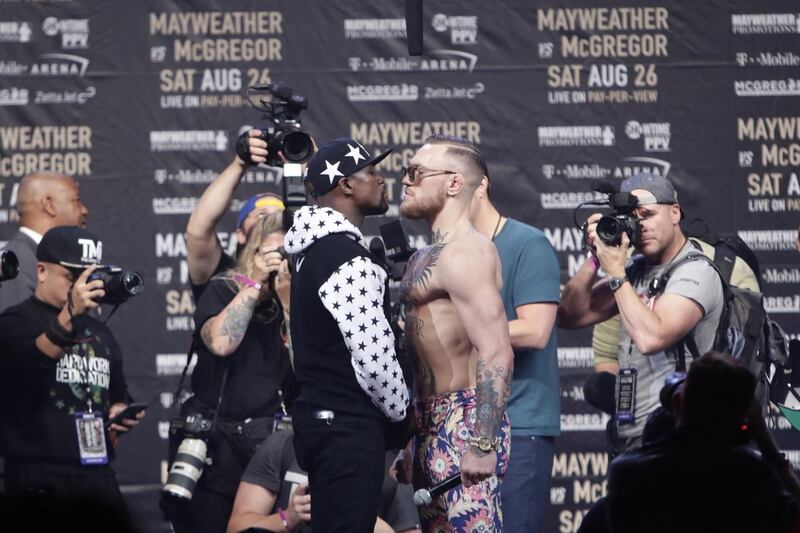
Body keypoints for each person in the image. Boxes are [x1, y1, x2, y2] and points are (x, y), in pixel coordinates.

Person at [284, 137, 409, 533]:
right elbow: (374, 362)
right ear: (346, 186)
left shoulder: (313, 254)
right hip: (348, 433)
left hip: (323, 427)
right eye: (371, 171)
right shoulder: (348, 259)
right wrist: (402, 414)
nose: (382, 179)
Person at [395, 134, 514, 532]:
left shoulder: (468, 252)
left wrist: (482, 442)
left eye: (416, 172)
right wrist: (414, 435)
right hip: (430, 421)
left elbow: (496, 351)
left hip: (465, 421)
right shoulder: (422, 257)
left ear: (453, 183)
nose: (406, 181)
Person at [557, 173, 724, 452]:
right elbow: (569, 315)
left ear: (674, 213)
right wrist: (596, 257)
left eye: (647, 214)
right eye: (633, 218)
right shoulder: (634, 270)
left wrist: (615, 273)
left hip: (682, 434)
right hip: (634, 433)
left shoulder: (696, 270)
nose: (640, 225)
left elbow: (651, 338)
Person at [0, 226, 142, 520]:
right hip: (37, 477)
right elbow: (33, 362)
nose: (81, 287)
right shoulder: (15, 322)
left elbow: (117, 391)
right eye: (71, 277)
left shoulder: (101, 333)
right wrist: (70, 314)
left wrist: (120, 410)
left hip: (96, 474)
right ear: (41, 271)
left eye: (87, 277)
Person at [169, 211, 293, 533]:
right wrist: (253, 286)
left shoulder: (297, 299)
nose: (280, 263)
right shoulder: (224, 288)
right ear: (253, 254)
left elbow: (306, 366)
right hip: (217, 448)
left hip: (270, 447)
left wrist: (289, 301)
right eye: (274, 254)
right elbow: (222, 343)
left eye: (288, 254)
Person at [606, 352, 800, 533]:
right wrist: (768, 447)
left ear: (677, 403)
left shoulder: (627, 472)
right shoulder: (750, 475)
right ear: (744, 417)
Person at [469, 160, 560, 533]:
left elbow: (536, 330)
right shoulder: (445, 252)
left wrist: (458, 330)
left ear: (479, 185)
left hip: (519, 425)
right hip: (464, 425)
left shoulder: (526, 243)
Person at [226, 429, 421, 533]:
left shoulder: (391, 465)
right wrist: (287, 519)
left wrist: (366, 522)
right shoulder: (284, 445)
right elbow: (236, 528)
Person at [186, 128, 285, 299]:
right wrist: (240, 163)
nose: (271, 220)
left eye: (279, 215)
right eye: (261, 215)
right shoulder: (225, 279)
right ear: (240, 234)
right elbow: (198, 232)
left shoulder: (301, 274)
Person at [0, 172, 89, 312]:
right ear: (50, 205)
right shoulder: (10, 266)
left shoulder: (60, 259)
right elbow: (14, 332)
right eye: (76, 200)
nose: (84, 210)